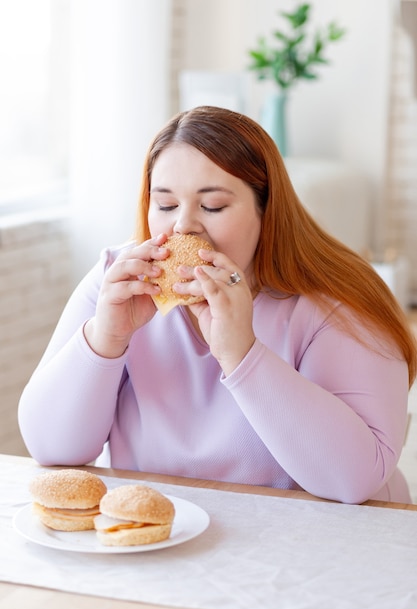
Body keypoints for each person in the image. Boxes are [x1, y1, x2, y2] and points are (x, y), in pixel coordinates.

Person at [18, 105, 417, 504]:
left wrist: (241, 353)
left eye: (213, 206)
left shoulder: (338, 301)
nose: (183, 226)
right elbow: (52, 449)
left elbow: (355, 480)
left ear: (267, 210)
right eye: (166, 204)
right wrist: (104, 339)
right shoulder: (117, 279)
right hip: (163, 538)